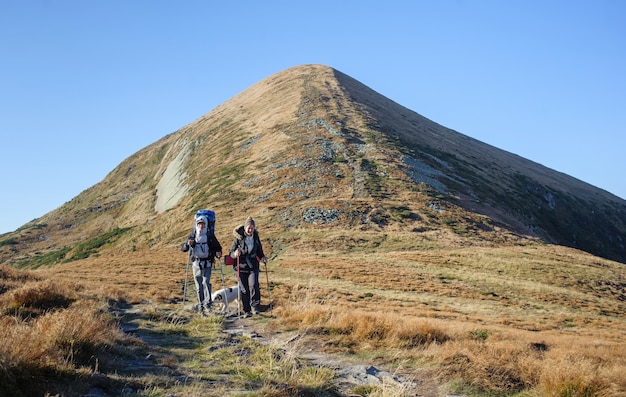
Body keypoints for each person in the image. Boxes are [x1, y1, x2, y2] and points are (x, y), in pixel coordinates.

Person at [181, 215, 222, 315]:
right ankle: (201, 305)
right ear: (196, 224)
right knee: (199, 286)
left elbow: (218, 247)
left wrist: (218, 252)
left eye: (203, 224)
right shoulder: (192, 236)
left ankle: (207, 304)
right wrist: (187, 244)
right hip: (196, 263)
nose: (201, 226)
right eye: (199, 224)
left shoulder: (210, 237)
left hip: (207, 263)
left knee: (206, 282)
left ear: (206, 224)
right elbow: (183, 248)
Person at [230, 216, 267, 317]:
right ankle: (246, 310)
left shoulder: (255, 237)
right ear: (245, 228)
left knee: (254, 285)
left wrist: (262, 257)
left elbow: (259, 251)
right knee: (244, 289)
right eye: (248, 228)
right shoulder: (238, 238)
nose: (250, 230)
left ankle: (255, 307)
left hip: (253, 266)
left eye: (252, 228)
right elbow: (231, 253)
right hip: (240, 267)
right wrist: (235, 254)